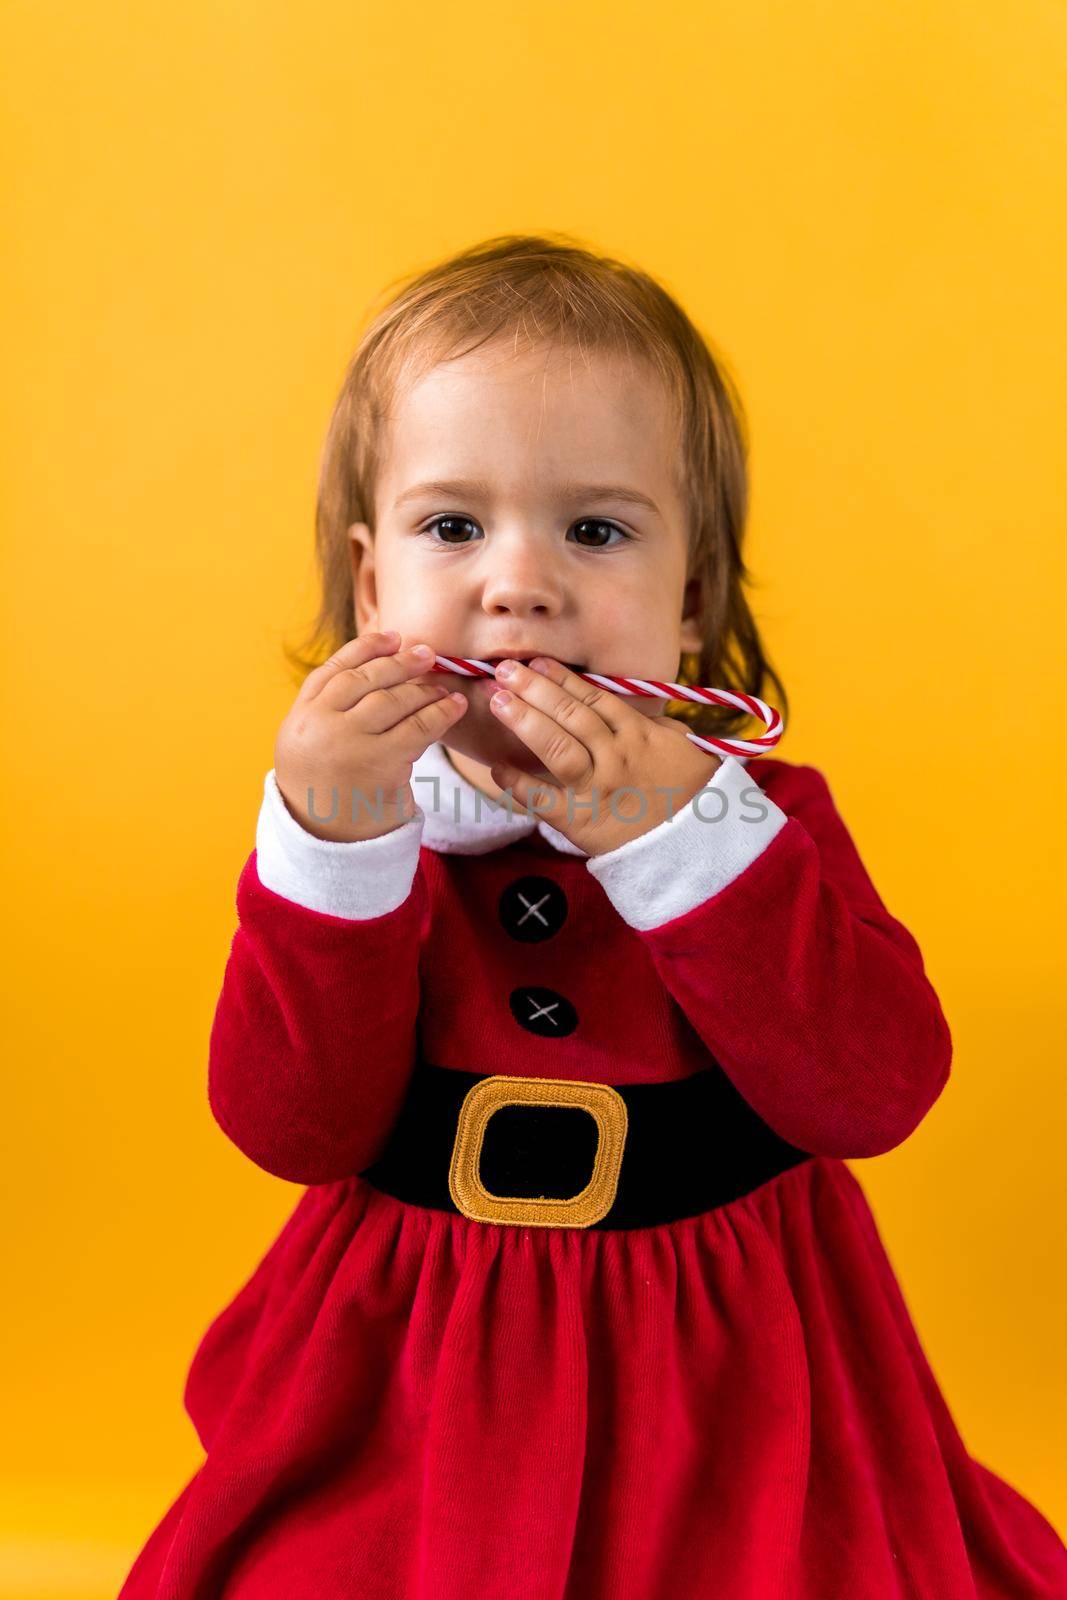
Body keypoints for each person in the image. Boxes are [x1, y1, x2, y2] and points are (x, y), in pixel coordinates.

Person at [117, 234, 1067, 1599]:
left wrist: (676, 835)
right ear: (374, 582)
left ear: (690, 600)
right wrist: (329, 842)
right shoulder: (362, 825)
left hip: (729, 1372)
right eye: (456, 527)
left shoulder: (756, 821)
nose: (522, 584)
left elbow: (874, 1093)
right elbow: (293, 1126)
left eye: (596, 530)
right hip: (412, 1370)